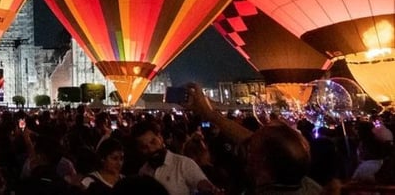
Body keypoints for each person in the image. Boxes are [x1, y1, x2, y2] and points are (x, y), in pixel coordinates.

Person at [185, 82, 323, 195]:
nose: (246, 154)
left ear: (262, 162)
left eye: (251, 151)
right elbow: (255, 140)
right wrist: (210, 114)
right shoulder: (305, 183)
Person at [131, 121, 220, 195]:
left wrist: (210, 188)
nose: (150, 149)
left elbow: (200, 182)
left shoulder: (183, 164)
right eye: (144, 147)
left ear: (160, 138)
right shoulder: (143, 172)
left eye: (153, 142)